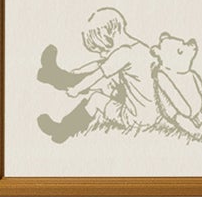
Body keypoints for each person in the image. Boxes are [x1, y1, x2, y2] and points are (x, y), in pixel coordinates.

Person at [36, 7, 160, 141]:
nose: (102, 52)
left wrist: (77, 90)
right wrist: (77, 71)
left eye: (102, 48)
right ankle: (56, 75)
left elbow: (97, 74)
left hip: (137, 118)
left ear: (110, 34)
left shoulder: (124, 53)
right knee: (107, 80)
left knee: (96, 99)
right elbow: (100, 64)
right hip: (151, 113)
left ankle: (62, 130)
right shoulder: (139, 48)